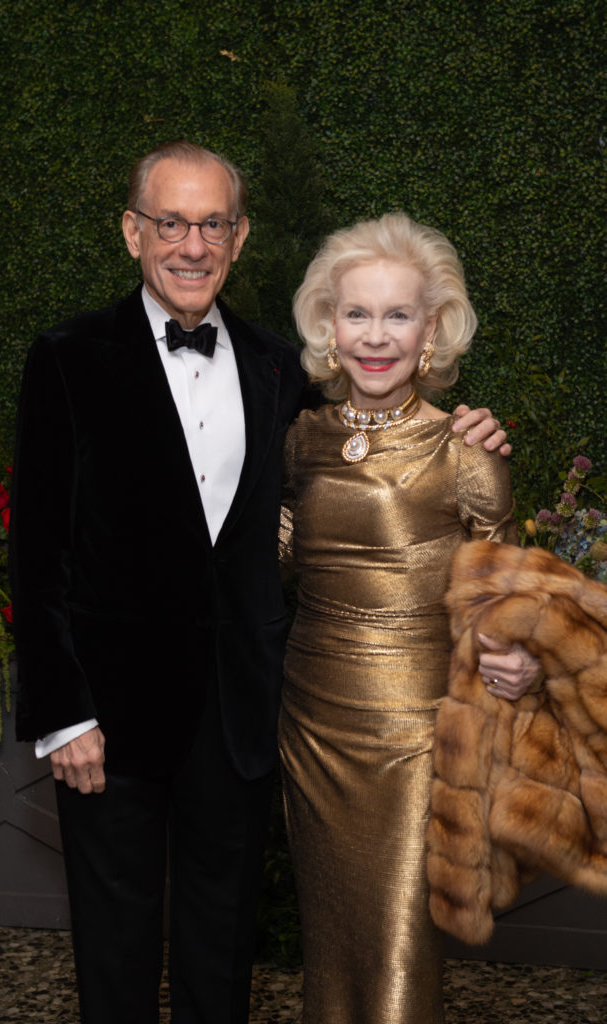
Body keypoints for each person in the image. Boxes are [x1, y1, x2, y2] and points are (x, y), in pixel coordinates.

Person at [10, 143, 510, 1024]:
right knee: (116, 952)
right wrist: (62, 714)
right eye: (171, 222)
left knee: (221, 950)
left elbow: (338, 496)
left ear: (239, 239)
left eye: (212, 223)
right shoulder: (67, 359)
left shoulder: (281, 371)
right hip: (108, 721)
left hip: (244, 719)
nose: (192, 244)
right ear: (133, 233)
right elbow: (38, 546)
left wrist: (469, 436)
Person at [278, 213, 538, 1024]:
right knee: (329, 939)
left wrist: (519, 661)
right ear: (328, 326)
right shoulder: (300, 439)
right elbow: (271, 562)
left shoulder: (466, 451)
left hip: (414, 736)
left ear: (433, 328)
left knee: (397, 943)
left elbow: (509, 596)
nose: (376, 336)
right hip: (308, 724)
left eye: (398, 315)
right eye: (357, 314)